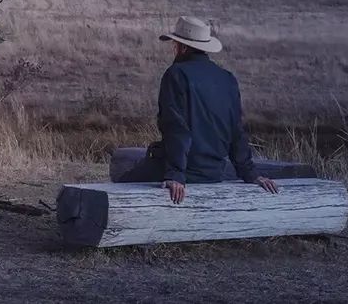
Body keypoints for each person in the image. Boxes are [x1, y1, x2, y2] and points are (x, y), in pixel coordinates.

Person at [118, 16, 279, 204]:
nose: (173, 48)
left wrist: (176, 174)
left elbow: (175, 127)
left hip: (185, 172)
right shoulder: (227, 79)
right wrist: (250, 174)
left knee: (123, 185)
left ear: (184, 47)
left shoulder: (176, 74)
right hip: (214, 173)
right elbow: (237, 131)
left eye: (175, 44)